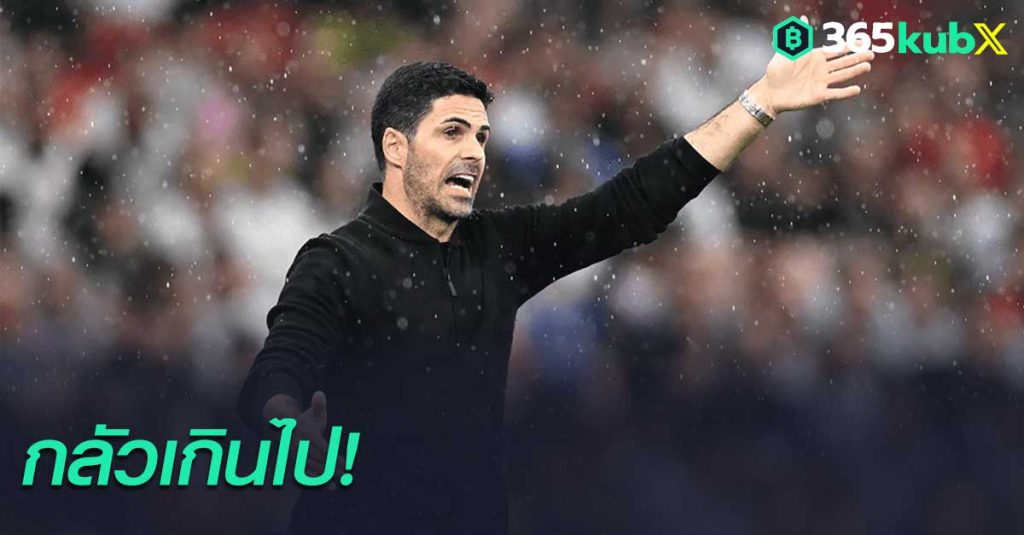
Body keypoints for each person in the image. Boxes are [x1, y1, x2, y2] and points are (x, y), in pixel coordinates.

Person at [237, 36, 874, 534]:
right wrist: (287, 421)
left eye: (481, 136)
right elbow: (279, 365)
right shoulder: (336, 260)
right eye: (453, 132)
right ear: (396, 147)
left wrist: (759, 103)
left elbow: (632, 205)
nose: (474, 152)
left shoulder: (495, 248)